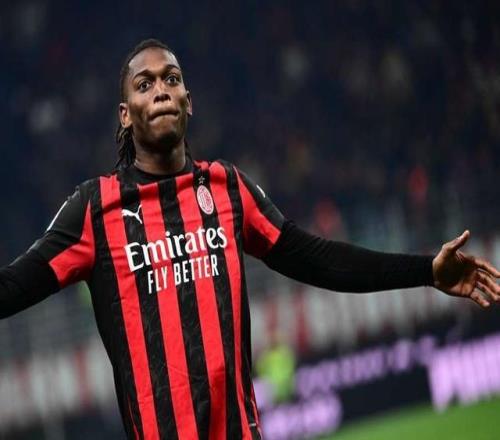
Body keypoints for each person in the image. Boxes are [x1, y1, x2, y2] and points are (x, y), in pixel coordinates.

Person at [1, 38, 499, 440]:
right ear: (125, 114)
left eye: (172, 79)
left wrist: (424, 271)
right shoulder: (96, 210)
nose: (161, 91)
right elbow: (13, 288)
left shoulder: (227, 189)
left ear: (189, 101)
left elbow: (319, 259)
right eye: (145, 84)